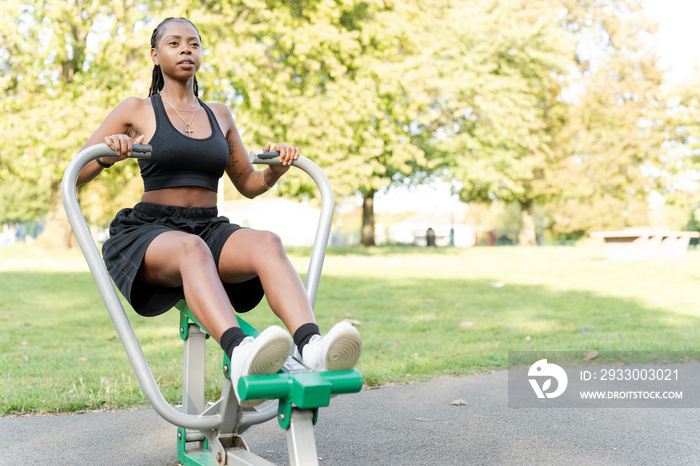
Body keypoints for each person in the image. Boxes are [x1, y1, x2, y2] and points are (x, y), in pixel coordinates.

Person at [77, 17, 362, 404]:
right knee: (189, 250)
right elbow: (78, 173)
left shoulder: (220, 114)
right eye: (174, 43)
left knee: (266, 243)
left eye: (193, 44)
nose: (185, 50)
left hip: (207, 226)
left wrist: (275, 171)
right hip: (151, 231)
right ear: (155, 54)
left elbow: (247, 183)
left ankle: (311, 345)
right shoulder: (137, 109)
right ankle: (241, 350)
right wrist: (110, 153)